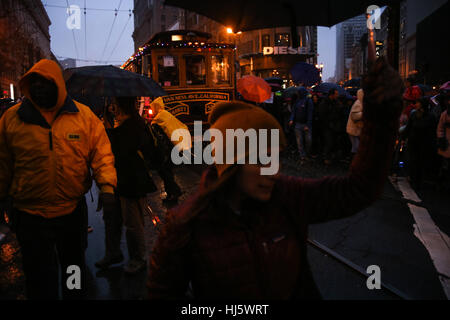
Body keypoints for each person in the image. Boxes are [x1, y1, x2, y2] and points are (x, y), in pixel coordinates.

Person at [147, 58, 404, 299]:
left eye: (275, 158)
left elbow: (359, 190)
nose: (273, 171)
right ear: (230, 164)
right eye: (260, 160)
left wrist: (382, 118)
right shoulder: (185, 225)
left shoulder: (287, 195)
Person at [0, 59, 117, 299]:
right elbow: (2, 163)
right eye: (35, 83)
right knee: (39, 275)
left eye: (46, 83)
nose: (40, 88)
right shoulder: (12, 120)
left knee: (73, 269)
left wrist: (107, 187)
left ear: (58, 86)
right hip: (30, 217)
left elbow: (102, 153)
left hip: (70, 215)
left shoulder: (83, 118)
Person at [97, 96, 157, 274]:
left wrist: (110, 131)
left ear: (122, 106)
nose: (112, 108)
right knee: (112, 218)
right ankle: (113, 252)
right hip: (117, 179)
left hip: (132, 180)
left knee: (133, 222)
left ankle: (138, 258)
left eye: (115, 104)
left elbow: (123, 149)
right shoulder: (122, 123)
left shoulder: (134, 124)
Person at [402, 97, 437, 190]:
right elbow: (409, 127)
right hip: (413, 142)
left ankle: (419, 181)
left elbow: (433, 131)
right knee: (413, 160)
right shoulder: (413, 114)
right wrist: (403, 137)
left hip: (424, 143)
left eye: (418, 102)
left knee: (421, 162)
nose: (416, 104)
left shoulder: (431, 116)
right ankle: (413, 179)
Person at [289, 87, 313, 161]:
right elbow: (294, 111)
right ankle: (302, 155)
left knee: (308, 140)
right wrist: (291, 119)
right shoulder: (297, 101)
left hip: (306, 124)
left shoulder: (308, 101)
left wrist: (308, 125)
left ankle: (307, 153)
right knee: (299, 141)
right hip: (298, 124)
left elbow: (310, 113)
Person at [318, 88, 341, 164]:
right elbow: (322, 115)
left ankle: (331, 156)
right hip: (327, 126)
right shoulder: (324, 103)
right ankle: (326, 157)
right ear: (332, 95)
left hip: (334, 126)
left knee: (334, 142)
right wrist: (328, 123)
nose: (337, 95)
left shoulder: (336, 102)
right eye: (336, 94)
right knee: (328, 142)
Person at [346, 89, 364, 156]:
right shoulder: (358, 103)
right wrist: (364, 114)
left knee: (356, 147)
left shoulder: (361, 103)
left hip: (356, 129)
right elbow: (354, 116)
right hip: (353, 129)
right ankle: (352, 160)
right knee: (356, 147)